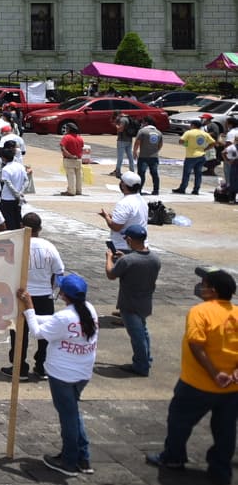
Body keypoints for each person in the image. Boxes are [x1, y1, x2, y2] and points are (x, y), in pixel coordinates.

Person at [146, 267, 238, 482]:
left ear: (212, 291)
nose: (201, 289)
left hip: (197, 384)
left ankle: (173, 457)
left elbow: (197, 345)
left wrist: (215, 374)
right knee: (225, 430)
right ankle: (220, 469)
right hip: (232, 389)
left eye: (204, 286)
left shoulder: (200, 311)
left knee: (179, 422)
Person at [18, 273, 98, 476]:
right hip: (82, 373)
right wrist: (32, 314)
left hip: (62, 375)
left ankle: (69, 461)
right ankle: (83, 457)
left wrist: (28, 307)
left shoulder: (65, 317)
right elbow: (54, 321)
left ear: (63, 295)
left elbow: (37, 332)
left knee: (68, 417)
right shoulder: (89, 310)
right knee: (73, 413)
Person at [4, 213, 65, 381]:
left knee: (18, 333)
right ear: (40, 228)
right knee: (46, 334)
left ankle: (19, 367)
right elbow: (58, 272)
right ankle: (42, 366)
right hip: (44, 295)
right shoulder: (49, 246)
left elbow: (8, 270)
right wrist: (52, 290)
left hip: (22, 296)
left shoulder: (17, 245)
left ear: (23, 226)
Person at [106, 224, 160, 377]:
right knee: (143, 332)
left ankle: (141, 366)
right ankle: (146, 359)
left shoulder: (128, 261)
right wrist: (124, 259)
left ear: (129, 239)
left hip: (129, 303)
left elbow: (111, 274)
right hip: (145, 302)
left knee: (137, 337)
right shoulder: (155, 259)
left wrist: (109, 259)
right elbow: (137, 266)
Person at [99, 172, 148, 255]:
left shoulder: (124, 203)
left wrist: (106, 217)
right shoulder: (142, 200)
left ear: (123, 185)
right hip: (141, 246)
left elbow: (116, 227)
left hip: (124, 247)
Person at [178, 120, 215, 196]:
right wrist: (206, 148)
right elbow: (213, 143)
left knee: (186, 174)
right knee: (198, 174)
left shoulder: (189, 132)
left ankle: (182, 188)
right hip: (201, 155)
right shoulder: (204, 133)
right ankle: (196, 190)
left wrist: (187, 144)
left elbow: (181, 141)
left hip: (191, 156)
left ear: (193, 125)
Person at [59, 126, 86, 196]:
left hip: (69, 159)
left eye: (66, 128)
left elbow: (62, 148)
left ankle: (71, 191)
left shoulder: (66, 137)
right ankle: (78, 190)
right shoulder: (80, 138)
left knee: (71, 175)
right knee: (78, 176)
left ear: (69, 129)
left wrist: (70, 155)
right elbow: (82, 148)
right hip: (78, 159)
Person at [113, 112, 138, 178]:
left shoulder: (123, 120)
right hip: (129, 139)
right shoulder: (129, 119)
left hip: (122, 140)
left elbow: (120, 129)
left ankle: (118, 172)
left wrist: (116, 125)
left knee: (120, 157)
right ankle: (132, 170)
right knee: (130, 156)